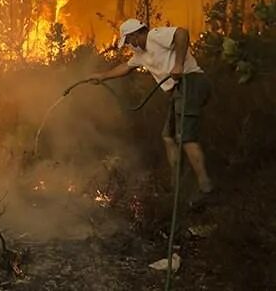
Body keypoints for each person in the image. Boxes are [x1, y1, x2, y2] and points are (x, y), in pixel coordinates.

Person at [88, 18, 213, 194]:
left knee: (186, 137)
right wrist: (102, 76)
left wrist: (178, 65)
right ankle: (177, 184)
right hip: (179, 90)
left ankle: (204, 185)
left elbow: (181, 33)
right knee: (169, 137)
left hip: (190, 81)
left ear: (136, 34)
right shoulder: (141, 54)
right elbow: (126, 67)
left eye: (130, 40)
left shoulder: (154, 36)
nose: (130, 44)